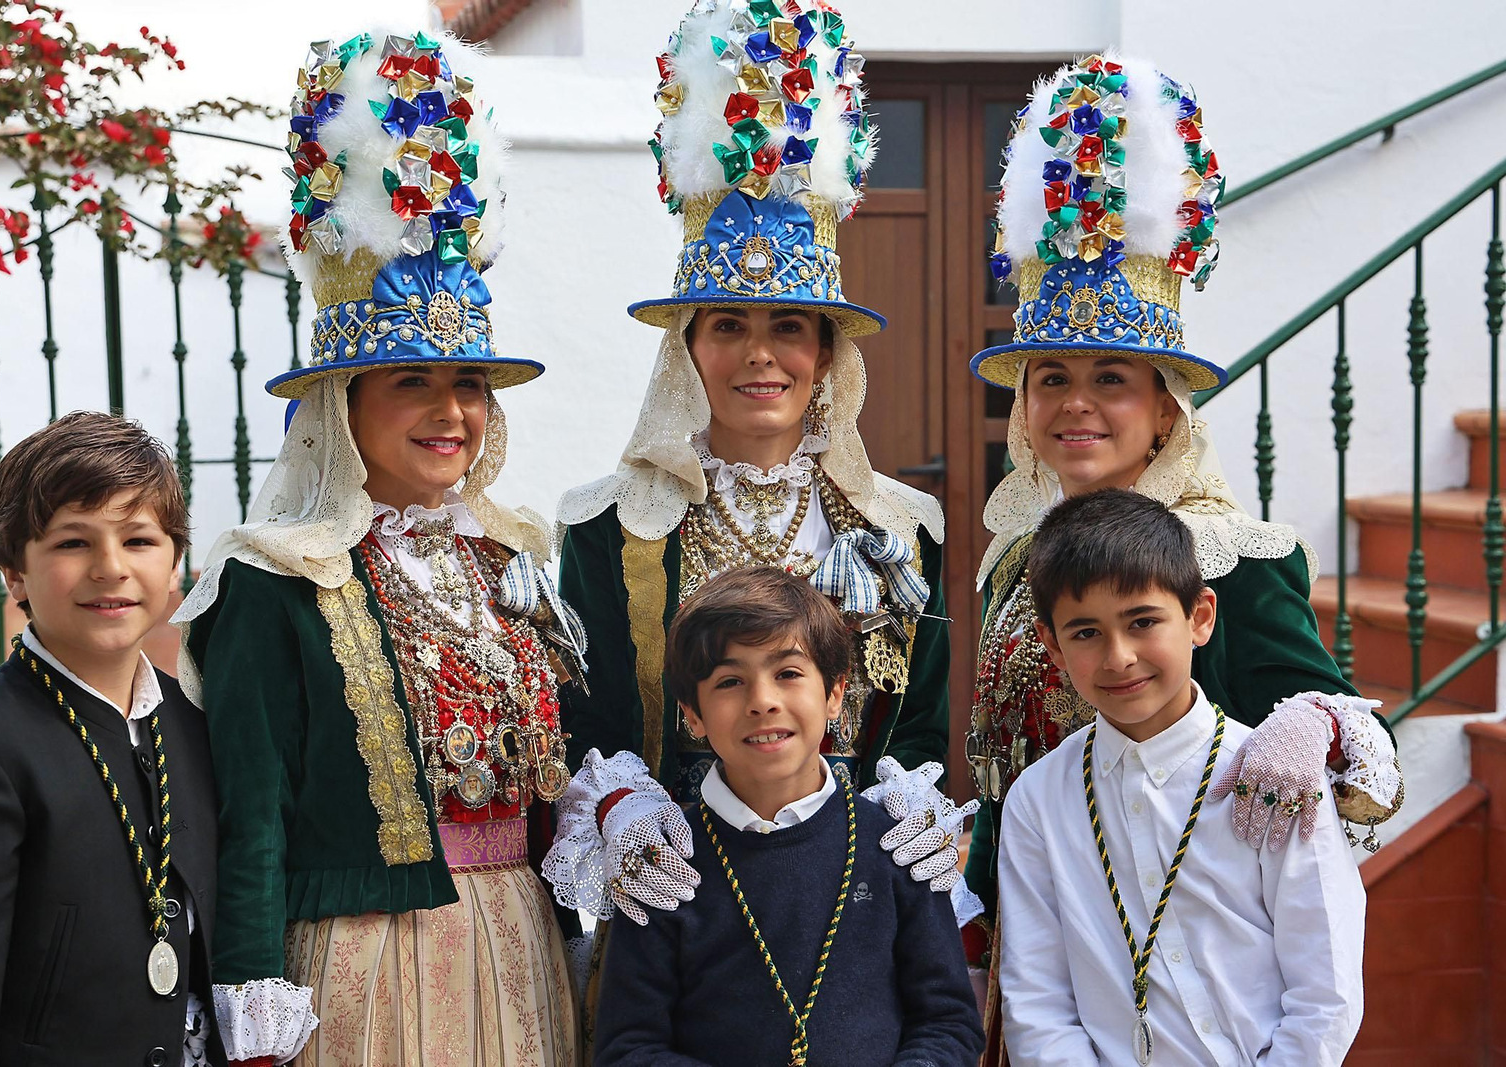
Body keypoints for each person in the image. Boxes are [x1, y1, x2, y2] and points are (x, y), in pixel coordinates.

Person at [958, 56, 1401, 1062]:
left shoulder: (1231, 559)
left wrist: (1309, 726)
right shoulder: (1012, 554)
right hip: (1038, 956)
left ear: (1164, 405)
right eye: (1051, 378)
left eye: (1110, 378)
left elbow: (1339, 739)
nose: (1075, 404)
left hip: (1201, 959)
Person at [171, 25, 586, 1067]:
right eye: (413, 382)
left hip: (515, 936)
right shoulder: (274, 580)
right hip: (364, 963)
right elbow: (252, 817)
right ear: (341, 404)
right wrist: (253, 996)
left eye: (469, 387)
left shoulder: (508, 559)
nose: (451, 412)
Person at [544, 0, 977, 976]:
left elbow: (917, 729)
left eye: (789, 324)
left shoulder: (900, 527)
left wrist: (914, 810)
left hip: (856, 906)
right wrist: (621, 811)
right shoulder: (612, 525)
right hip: (678, 908)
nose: (759, 353)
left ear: (826, 354)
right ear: (686, 346)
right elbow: (596, 724)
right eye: (727, 324)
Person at [998, 488, 1365, 1065]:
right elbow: (1039, 1003)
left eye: (1143, 622)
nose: (1118, 656)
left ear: (1199, 617)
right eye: (1086, 633)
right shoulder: (1038, 800)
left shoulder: (1272, 774)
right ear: (1052, 644)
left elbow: (1327, 989)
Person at [0, 412, 222, 1067]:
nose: (110, 569)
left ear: (174, 566)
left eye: (138, 539)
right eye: (73, 542)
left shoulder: (194, 724)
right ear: (14, 573)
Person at [594, 567, 983, 1067]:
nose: (763, 702)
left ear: (835, 695)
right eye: (731, 681)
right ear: (692, 714)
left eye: (788, 673)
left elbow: (948, 1024)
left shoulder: (897, 845)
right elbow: (628, 1048)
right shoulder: (663, 864)